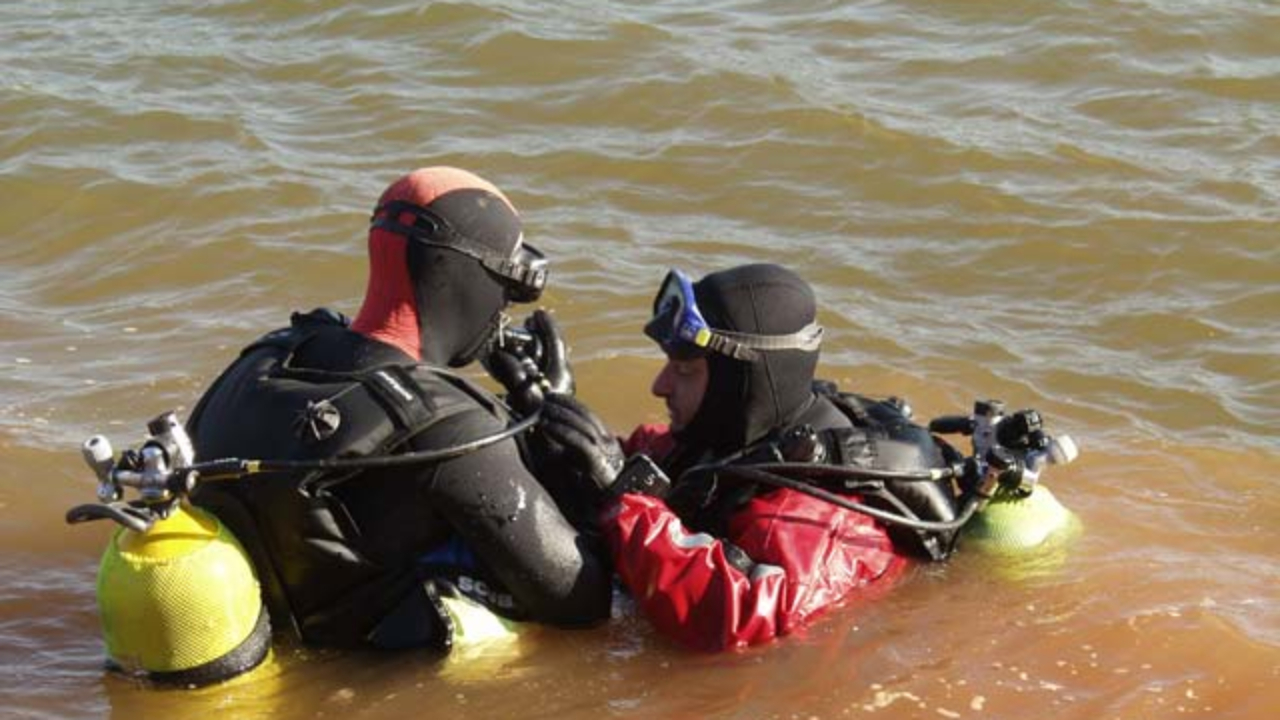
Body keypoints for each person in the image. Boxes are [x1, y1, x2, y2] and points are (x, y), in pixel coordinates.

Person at [186, 166, 613, 653]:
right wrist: (571, 439)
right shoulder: (450, 427)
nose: (503, 310)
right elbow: (581, 601)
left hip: (262, 643)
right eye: (508, 287)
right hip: (363, 675)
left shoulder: (265, 356)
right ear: (467, 276)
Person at [528, 263, 961, 652]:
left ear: (741, 383)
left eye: (684, 371)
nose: (659, 386)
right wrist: (549, 405)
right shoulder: (728, 431)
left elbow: (732, 621)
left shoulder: (808, 517)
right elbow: (636, 456)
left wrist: (624, 503)